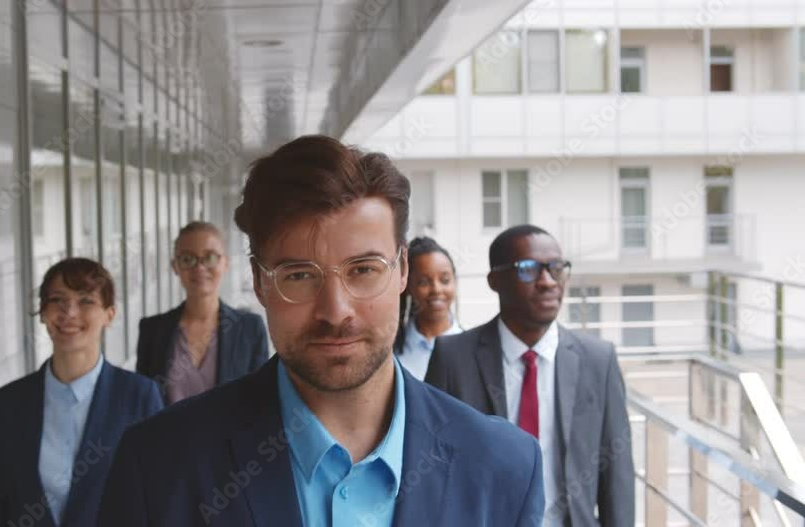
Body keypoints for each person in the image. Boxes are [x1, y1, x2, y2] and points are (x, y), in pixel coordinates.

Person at [98, 135, 544, 526]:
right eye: (299, 275)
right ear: (258, 282)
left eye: (364, 270)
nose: (336, 311)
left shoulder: (503, 468)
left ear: (402, 269)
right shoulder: (158, 466)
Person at [425, 225, 634, 527]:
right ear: (494, 281)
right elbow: (431, 469)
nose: (548, 282)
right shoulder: (453, 357)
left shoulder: (598, 361)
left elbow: (617, 475)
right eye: (528, 270)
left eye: (557, 269)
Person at [0, 258, 164, 527]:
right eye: (57, 300)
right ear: (42, 313)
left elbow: (159, 500)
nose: (69, 312)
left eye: (86, 301)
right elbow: (4, 503)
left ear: (110, 314)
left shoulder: (139, 397)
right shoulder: (10, 401)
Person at [135, 221, 269, 404]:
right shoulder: (153, 330)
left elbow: (261, 402)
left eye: (210, 257)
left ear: (225, 263)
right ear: (175, 266)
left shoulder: (250, 329)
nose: (199, 267)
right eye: (187, 259)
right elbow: (143, 403)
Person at [393, 236, 462, 380]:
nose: (436, 289)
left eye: (445, 280)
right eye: (423, 282)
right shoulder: (391, 352)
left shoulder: (473, 349)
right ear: (408, 286)